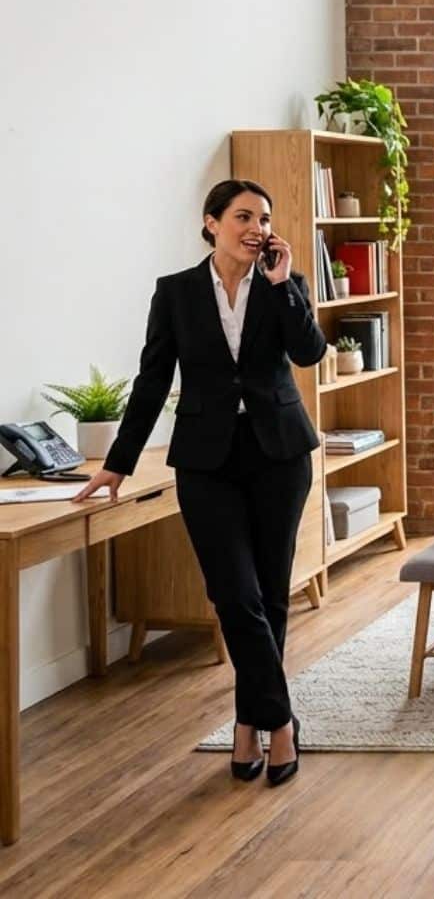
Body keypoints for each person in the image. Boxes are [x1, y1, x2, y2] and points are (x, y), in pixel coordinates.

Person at [74, 180, 325, 787]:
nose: (257, 228)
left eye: (264, 218)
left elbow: (310, 353)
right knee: (233, 595)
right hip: (206, 462)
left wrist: (282, 287)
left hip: (279, 456)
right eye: (243, 216)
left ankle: (247, 724)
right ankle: (281, 721)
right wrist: (119, 461)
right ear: (211, 222)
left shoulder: (284, 284)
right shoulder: (177, 292)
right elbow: (152, 379)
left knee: (268, 596)